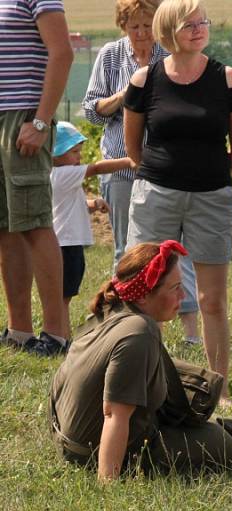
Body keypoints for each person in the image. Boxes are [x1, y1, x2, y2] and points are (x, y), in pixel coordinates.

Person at [123, 0, 232, 401]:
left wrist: (207, 177)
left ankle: (218, 388)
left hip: (212, 197)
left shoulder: (226, 79)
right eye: (188, 24)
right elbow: (133, 147)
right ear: (168, 31)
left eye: (203, 22)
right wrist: (163, 177)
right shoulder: (145, 80)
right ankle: (146, 383)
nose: (198, 29)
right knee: (144, 291)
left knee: (212, 299)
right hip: (155, 194)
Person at [49, 241, 232, 481]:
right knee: (222, 442)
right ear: (145, 295)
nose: (184, 295)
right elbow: (114, 415)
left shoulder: (113, 308)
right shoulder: (139, 331)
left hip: (67, 439)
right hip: (94, 452)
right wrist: (108, 484)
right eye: (175, 288)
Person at [81, 0, 201, 346]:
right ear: (123, 26)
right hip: (121, 167)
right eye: (133, 26)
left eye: (148, 25)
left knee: (175, 250)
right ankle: (124, 328)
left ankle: (191, 332)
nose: (141, 33)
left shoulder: (170, 54)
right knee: (126, 249)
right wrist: (127, 94)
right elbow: (93, 111)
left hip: (165, 167)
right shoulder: (110, 55)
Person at [0, 0, 73, 355]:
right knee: (6, 227)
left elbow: (62, 53)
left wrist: (41, 122)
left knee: (34, 224)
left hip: (23, 120)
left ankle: (56, 335)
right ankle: (19, 331)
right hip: (3, 121)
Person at [50, 121, 132, 335]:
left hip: (66, 243)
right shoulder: (62, 174)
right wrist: (131, 160)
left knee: (63, 296)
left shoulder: (59, 176)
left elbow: (73, 204)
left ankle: (60, 335)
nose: (79, 157)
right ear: (55, 155)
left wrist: (93, 204)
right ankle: (60, 337)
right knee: (62, 297)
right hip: (65, 244)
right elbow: (96, 168)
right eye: (74, 151)